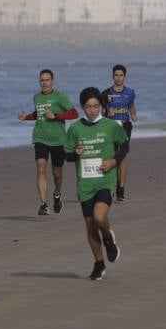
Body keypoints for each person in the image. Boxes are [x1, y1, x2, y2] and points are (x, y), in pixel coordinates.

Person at [64, 87, 128, 280]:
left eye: (95, 106)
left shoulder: (110, 126)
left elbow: (124, 145)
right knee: (90, 227)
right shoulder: (75, 128)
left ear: (100, 106)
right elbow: (67, 155)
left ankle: (108, 239)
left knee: (99, 218)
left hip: (105, 181)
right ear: (82, 107)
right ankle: (99, 263)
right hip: (85, 185)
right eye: (88, 107)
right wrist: (74, 153)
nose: (92, 110)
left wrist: (114, 161)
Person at [16, 69, 76, 215]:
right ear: (39, 82)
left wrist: (55, 115)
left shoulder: (60, 97)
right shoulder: (36, 97)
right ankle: (43, 204)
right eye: (42, 80)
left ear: (52, 81)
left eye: (47, 80)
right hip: (40, 138)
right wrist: (26, 117)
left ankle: (57, 194)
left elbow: (74, 113)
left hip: (58, 140)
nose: (44, 83)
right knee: (40, 167)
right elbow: (38, 114)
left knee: (57, 174)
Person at [102, 65, 137, 201]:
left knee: (121, 156)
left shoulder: (130, 92)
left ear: (124, 77)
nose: (118, 77)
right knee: (111, 156)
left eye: (121, 75)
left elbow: (132, 107)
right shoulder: (105, 93)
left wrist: (134, 115)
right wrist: (106, 113)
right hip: (110, 126)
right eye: (116, 75)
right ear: (112, 76)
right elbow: (101, 113)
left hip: (125, 126)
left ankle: (121, 190)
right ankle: (111, 187)